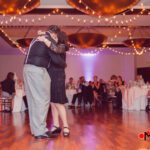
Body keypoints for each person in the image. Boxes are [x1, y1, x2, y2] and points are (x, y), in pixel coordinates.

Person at [23, 25, 66, 140]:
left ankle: (36, 130)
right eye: (56, 37)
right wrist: (64, 64)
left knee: (33, 100)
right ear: (54, 34)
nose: (56, 40)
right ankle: (40, 131)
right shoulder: (47, 39)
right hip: (37, 70)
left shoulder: (36, 38)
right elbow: (57, 57)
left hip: (28, 69)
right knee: (42, 99)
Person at [46, 31, 70, 137]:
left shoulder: (62, 46)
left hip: (58, 75)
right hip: (51, 75)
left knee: (58, 102)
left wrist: (46, 38)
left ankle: (66, 126)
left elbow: (55, 49)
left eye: (55, 36)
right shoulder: (56, 46)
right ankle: (56, 125)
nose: (53, 37)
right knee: (52, 102)